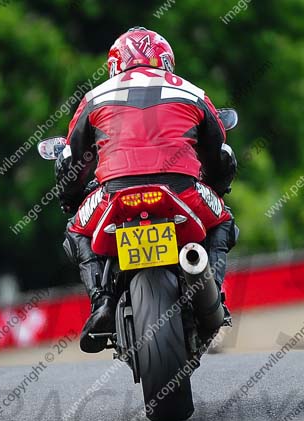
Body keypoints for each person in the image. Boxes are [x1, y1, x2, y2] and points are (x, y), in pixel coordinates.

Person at [56, 26, 238, 353]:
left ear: (115, 64)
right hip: (182, 190)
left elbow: (71, 163)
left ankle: (101, 303)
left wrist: (71, 201)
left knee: (75, 229)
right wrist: (218, 188)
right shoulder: (192, 91)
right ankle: (213, 295)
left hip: (114, 192)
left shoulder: (93, 97)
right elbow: (220, 153)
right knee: (223, 220)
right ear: (166, 60)